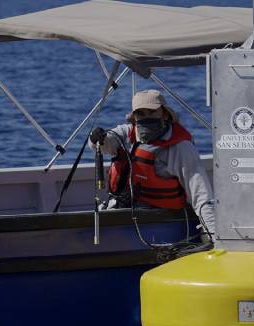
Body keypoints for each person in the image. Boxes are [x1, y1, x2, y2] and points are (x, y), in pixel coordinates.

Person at [89, 89, 216, 236]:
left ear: (165, 114)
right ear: (134, 117)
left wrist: (213, 234)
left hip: (162, 221)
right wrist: (95, 138)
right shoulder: (125, 134)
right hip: (121, 213)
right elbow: (102, 146)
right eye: (141, 113)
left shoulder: (181, 148)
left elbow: (201, 195)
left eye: (152, 112)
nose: (146, 117)